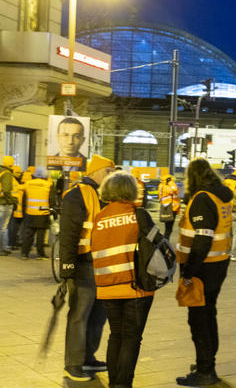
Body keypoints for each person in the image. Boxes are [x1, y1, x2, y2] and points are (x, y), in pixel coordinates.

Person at [91, 171, 155, 388]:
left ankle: (113, 383)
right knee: (131, 337)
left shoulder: (100, 217)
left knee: (115, 335)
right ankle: (123, 384)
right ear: (130, 190)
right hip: (135, 287)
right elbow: (158, 244)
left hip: (107, 287)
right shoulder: (138, 215)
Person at [176, 159, 233, 386]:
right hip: (219, 264)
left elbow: (203, 237)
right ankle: (206, 362)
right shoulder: (222, 195)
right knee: (209, 314)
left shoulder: (202, 198)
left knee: (198, 319)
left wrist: (189, 271)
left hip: (203, 267)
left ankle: (206, 371)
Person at [60, 155, 115, 382]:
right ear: (96, 171)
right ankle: (73, 364)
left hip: (103, 265)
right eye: (108, 171)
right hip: (83, 264)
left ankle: (88, 358)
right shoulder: (76, 195)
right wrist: (67, 267)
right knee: (79, 316)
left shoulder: (107, 195)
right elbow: (69, 233)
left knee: (98, 315)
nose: (111, 176)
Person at [19, 168, 55, 260]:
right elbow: (51, 200)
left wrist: (24, 213)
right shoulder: (48, 185)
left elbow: (24, 200)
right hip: (43, 213)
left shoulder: (28, 184)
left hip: (30, 213)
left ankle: (24, 253)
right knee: (41, 235)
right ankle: (40, 254)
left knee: (28, 235)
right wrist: (52, 211)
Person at [0, 156, 17, 256]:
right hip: (4, 203)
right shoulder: (7, 173)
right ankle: (2, 248)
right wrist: (12, 200)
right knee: (3, 227)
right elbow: (6, 190)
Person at [158, 174, 181, 239]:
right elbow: (175, 190)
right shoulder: (167, 186)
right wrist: (170, 182)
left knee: (168, 229)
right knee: (168, 229)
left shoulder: (161, 185)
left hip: (167, 208)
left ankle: (165, 242)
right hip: (171, 209)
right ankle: (165, 244)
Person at [8, 164, 23, 251]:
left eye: (20, 172)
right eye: (17, 172)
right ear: (13, 172)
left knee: (14, 226)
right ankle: (12, 243)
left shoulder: (16, 181)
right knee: (12, 227)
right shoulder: (13, 181)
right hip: (14, 207)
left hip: (16, 208)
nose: (19, 174)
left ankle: (13, 242)